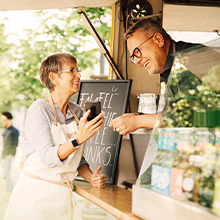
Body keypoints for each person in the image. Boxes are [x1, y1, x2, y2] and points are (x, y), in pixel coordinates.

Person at [4, 53, 107, 220]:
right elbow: (48, 157)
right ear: (54, 77)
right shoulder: (39, 110)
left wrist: (91, 177)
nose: (79, 75)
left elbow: (76, 159)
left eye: (77, 70)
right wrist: (78, 139)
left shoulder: (78, 112)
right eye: (72, 71)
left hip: (62, 202)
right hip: (33, 200)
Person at [109, 19, 199, 135]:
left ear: (159, 40)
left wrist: (137, 121)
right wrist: (139, 117)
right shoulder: (171, 68)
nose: (136, 61)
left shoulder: (190, 59)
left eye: (137, 51)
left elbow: (185, 117)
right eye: (133, 57)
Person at [1, 111, 19, 201]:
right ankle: (11, 192)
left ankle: (10, 193)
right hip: (4, 156)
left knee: (6, 174)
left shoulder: (14, 131)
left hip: (9, 156)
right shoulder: (5, 131)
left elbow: (15, 144)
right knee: (5, 174)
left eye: (4, 120)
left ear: (9, 120)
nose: (2, 122)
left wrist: (10, 155)